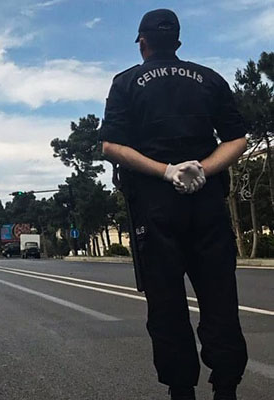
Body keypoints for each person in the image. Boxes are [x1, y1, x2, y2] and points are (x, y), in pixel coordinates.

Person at [100, 9, 248, 400]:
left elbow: (112, 146)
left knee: (167, 306)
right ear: (178, 42)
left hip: (155, 208)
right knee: (220, 298)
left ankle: (182, 390)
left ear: (143, 44)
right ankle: (227, 388)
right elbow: (237, 139)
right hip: (208, 203)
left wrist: (167, 172)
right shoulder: (210, 79)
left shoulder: (127, 82)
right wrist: (202, 169)